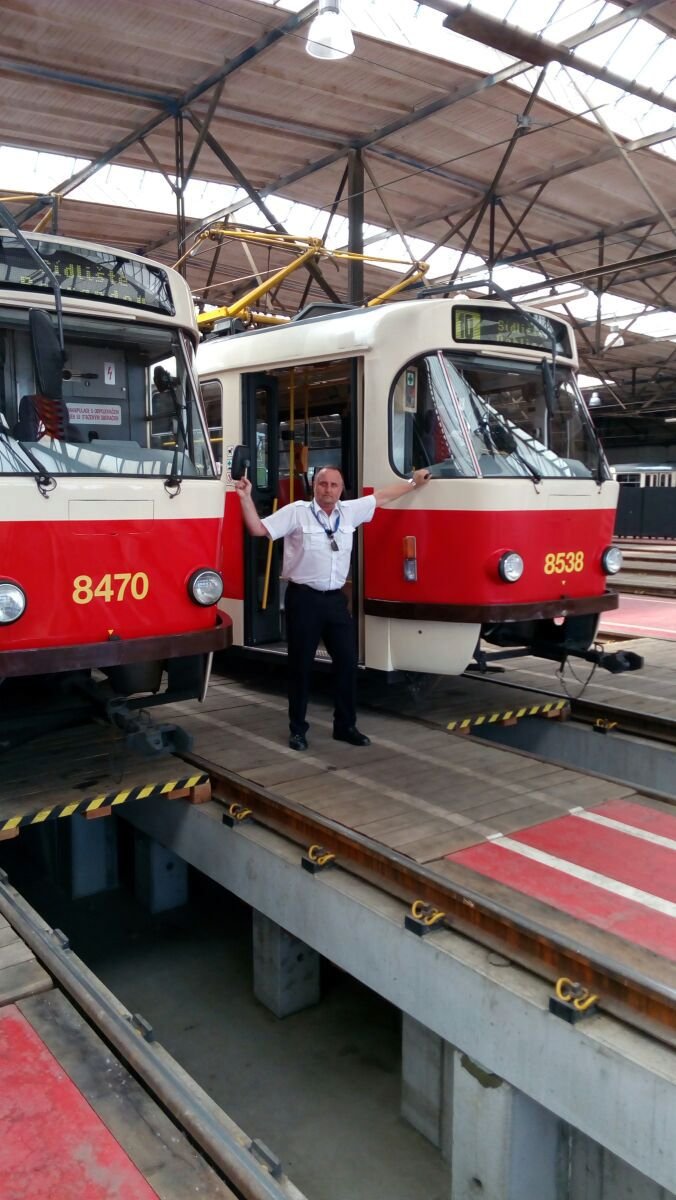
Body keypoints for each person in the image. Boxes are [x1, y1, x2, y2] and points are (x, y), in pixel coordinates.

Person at [234, 464, 431, 751]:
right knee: (300, 667)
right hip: (303, 599)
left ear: (341, 489)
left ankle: (345, 726)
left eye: (333, 485)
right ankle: (298, 730)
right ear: (314, 486)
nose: (328, 489)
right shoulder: (296, 511)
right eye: (322, 484)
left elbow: (383, 496)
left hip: (335, 601)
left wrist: (413, 483)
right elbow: (256, 528)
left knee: (348, 663)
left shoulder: (350, 511)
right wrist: (244, 497)